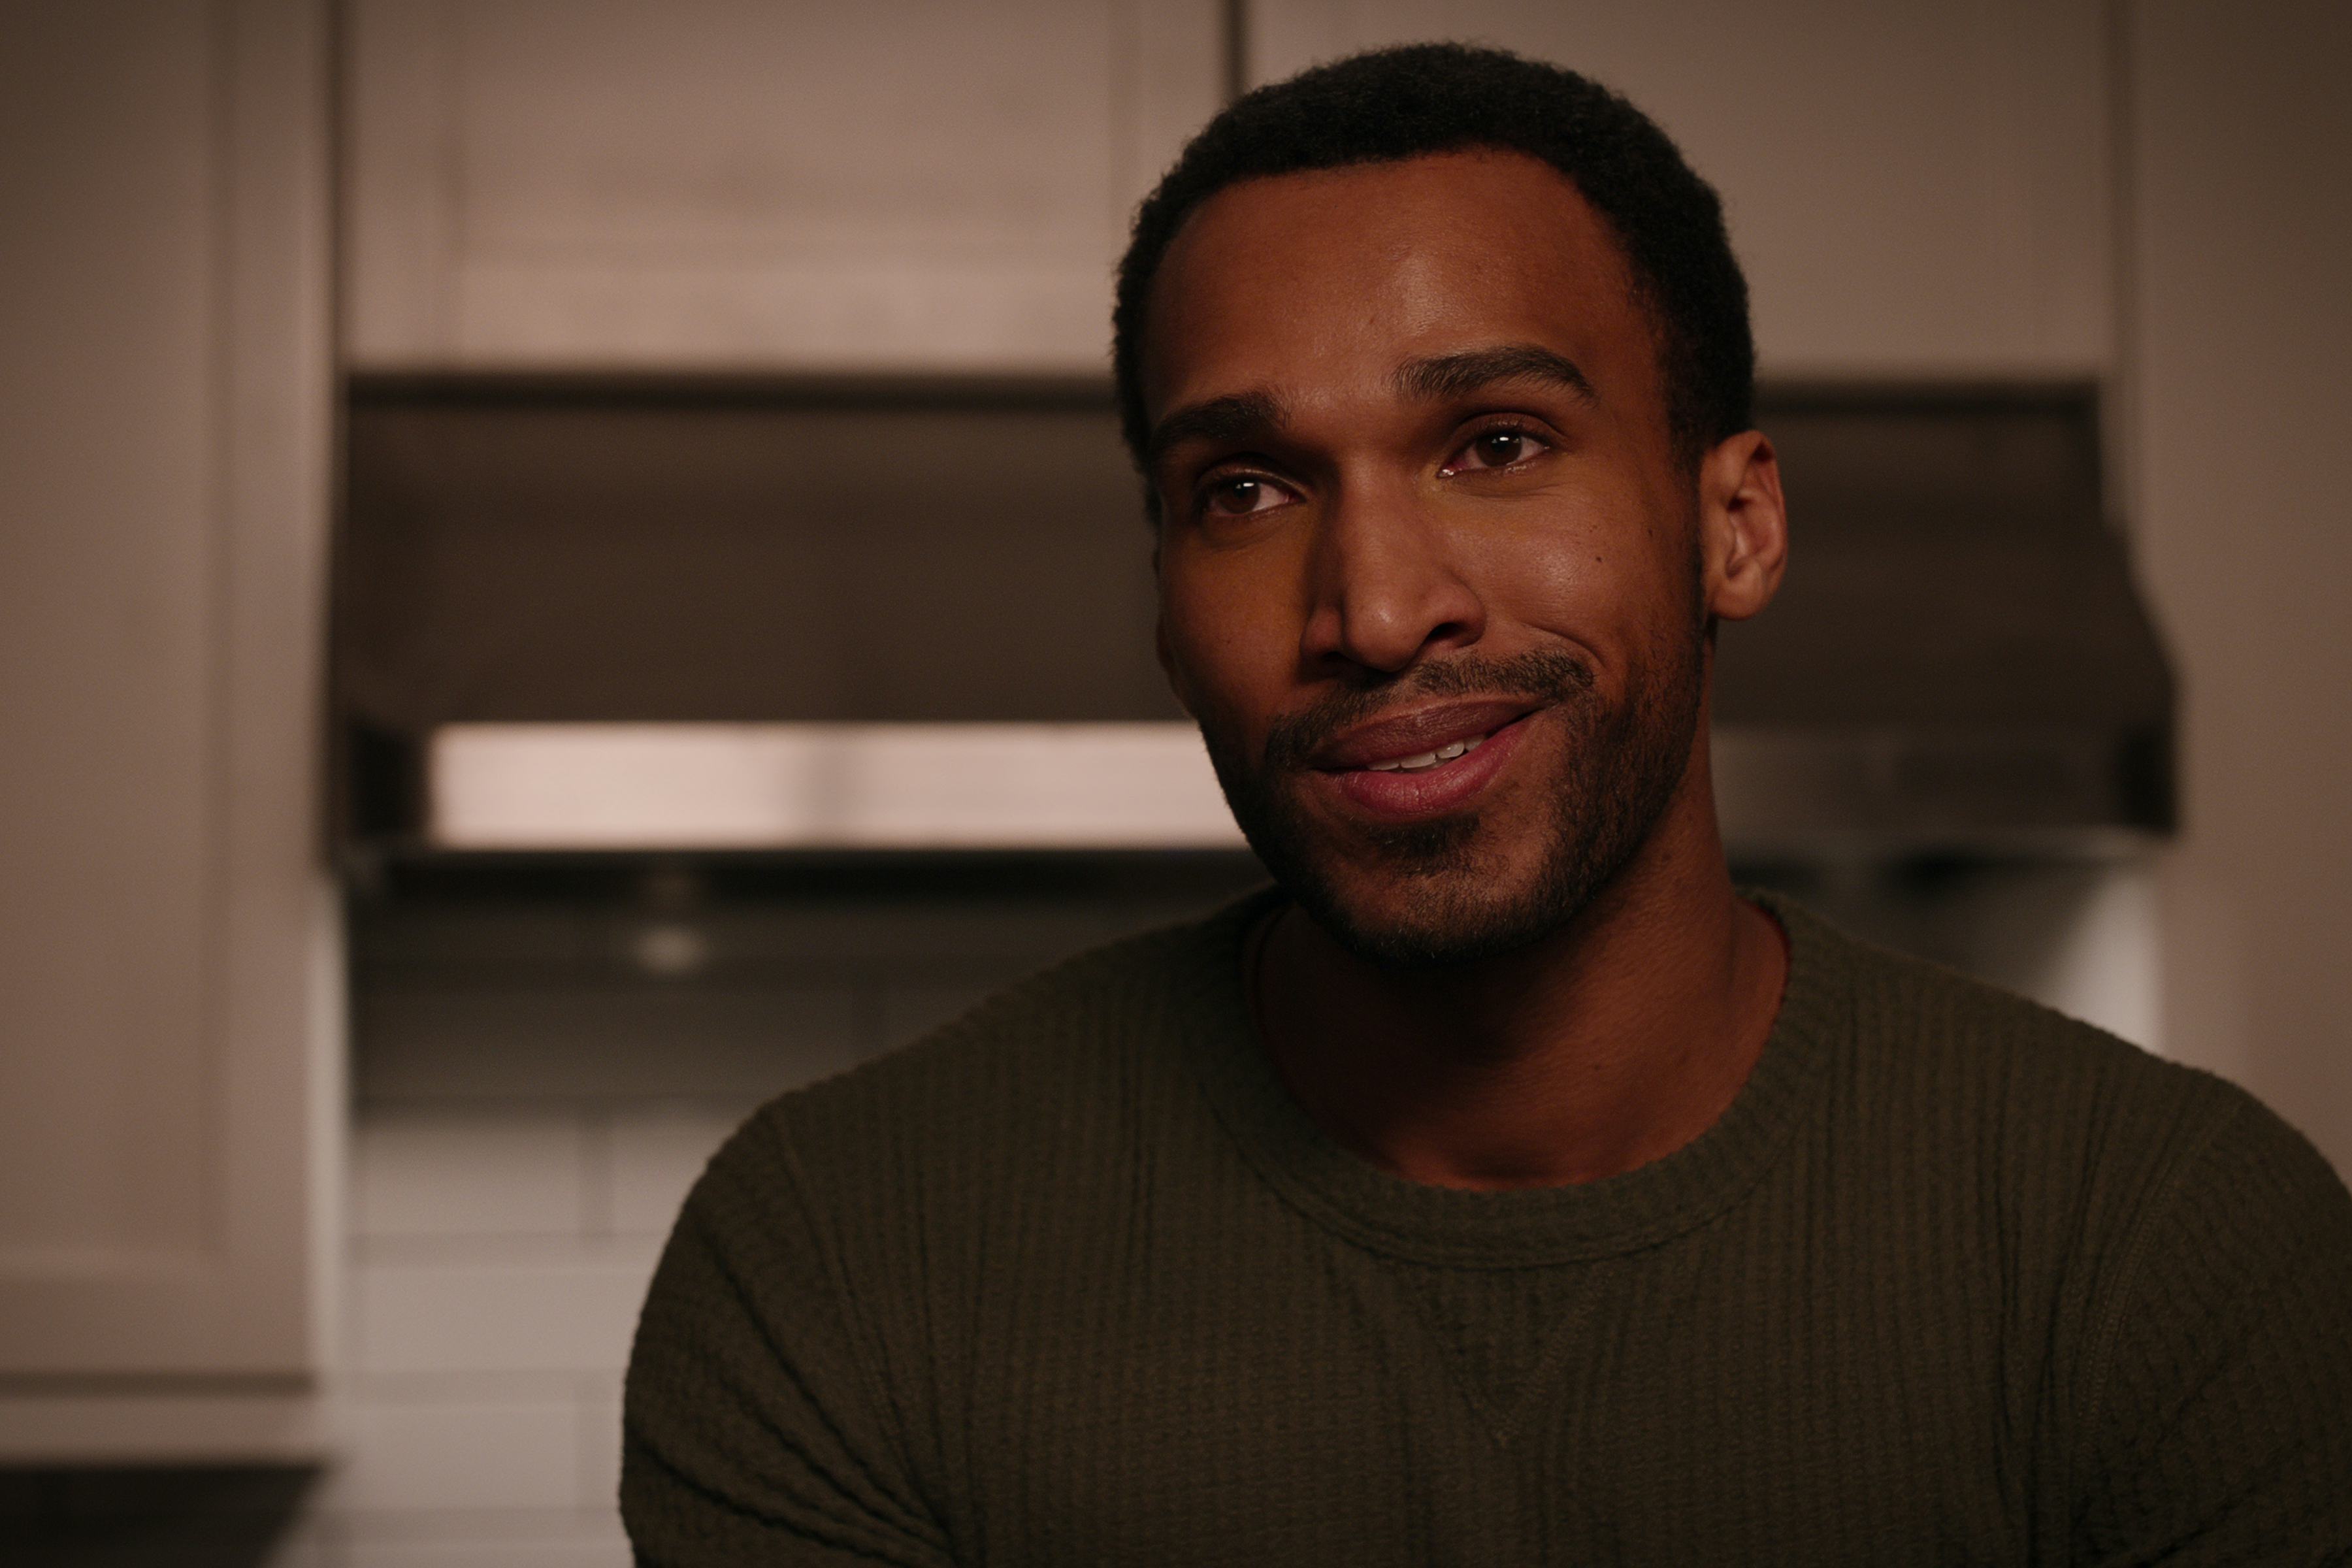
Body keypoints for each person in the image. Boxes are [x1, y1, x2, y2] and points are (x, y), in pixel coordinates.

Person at [621, 44, 2352, 1565]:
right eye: (1246, 489)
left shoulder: (2167, 1255)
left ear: (1736, 526)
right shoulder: (842, 1259)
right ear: (1162, 603)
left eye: (1498, 446)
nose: (1377, 611)